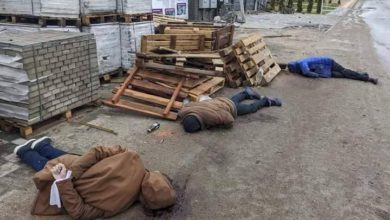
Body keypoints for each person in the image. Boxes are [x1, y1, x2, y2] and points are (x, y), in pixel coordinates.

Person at [14, 137, 176, 220]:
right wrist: (67, 177)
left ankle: (26, 152)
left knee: (56, 166)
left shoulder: (133, 157)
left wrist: (67, 177)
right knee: (64, 163)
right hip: (66, 181)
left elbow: (98, 151)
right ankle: (41, 147)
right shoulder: (119, 206)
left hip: (62, 183)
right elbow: (80, 213)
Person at [178, 87, 282, 133]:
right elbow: (184, 106)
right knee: (232, 100)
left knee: (251, 108)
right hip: (219, 100)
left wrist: (220, 126)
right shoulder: (184, 111)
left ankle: (266, 101)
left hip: (231, 108)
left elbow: (229, 120)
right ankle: (246, 93)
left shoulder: (212, 117)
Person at [287, 56, 378, 84]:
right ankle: (362, 75)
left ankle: (368, 79)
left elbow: (308, 72)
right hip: (325, 71)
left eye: (293, 70)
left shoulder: (302, 63)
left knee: (345, 72)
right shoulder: (300, 63)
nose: (294, 72)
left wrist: (313, 75)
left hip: (329, 63)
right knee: (343, 76)